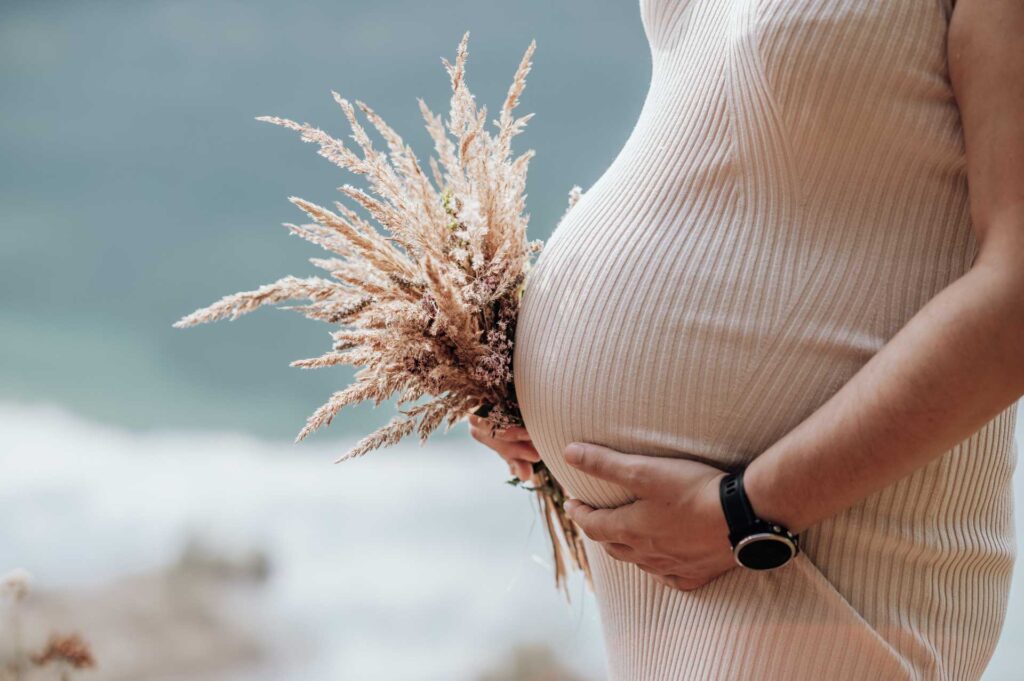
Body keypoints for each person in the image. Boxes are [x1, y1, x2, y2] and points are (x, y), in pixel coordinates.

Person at [469, 0, 1024, 679]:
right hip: (686, 560)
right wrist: (519, 372)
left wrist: (745, 510)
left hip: (819, 558)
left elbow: (1016, 297)